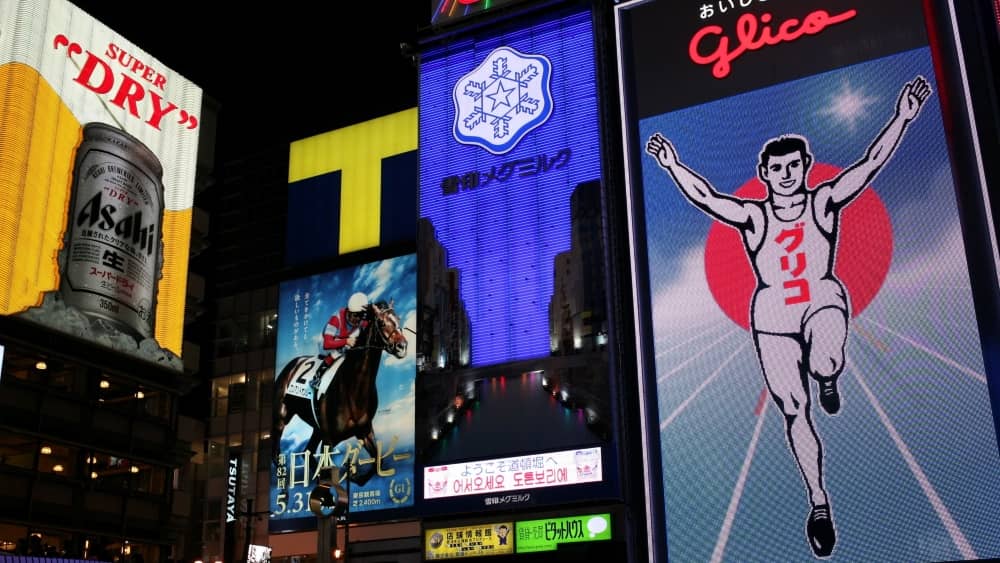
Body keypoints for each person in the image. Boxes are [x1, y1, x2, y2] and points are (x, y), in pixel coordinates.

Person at [645, 76, 931, 558]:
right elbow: (709, 198)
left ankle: (828, 375)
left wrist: (902, 116)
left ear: (804, 168)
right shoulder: (755, 217)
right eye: (776, 168)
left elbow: (870, 165)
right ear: (765, 172)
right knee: (793, 410)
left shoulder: (823, 201)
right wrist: (673, 166)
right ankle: (819, 501)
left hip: (820, 298)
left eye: (792, 166)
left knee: (824, 356)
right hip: (773, 315)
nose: (785, 174)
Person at [311, 291, 369, 392]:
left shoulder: (361, 320)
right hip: (326, 342)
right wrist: (346, 341)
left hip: (342, 339)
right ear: (349, 312)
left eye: (361, 317)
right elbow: (327, 344)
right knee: (339, 350)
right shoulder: (336, 319)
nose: (358, 320)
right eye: (356, 316)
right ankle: (317, 378)